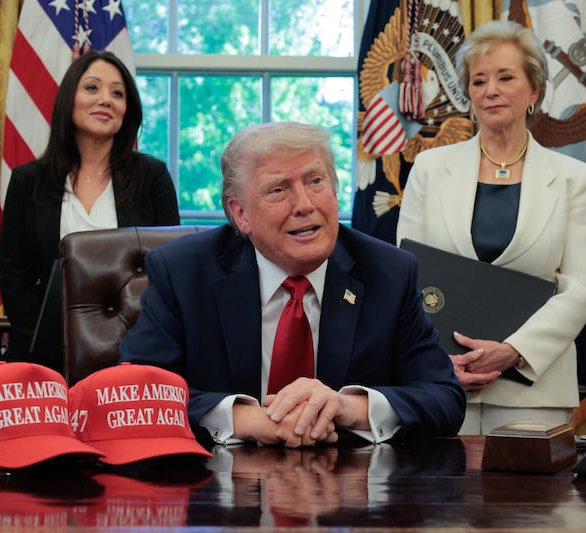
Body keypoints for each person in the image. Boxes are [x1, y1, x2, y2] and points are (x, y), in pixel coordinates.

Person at [119, 122, 465, 447]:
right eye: (278, 189)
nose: (305, 205)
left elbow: (443, 397)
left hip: (352, 493)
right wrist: (251, 420)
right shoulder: (183, 272)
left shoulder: (387, 272)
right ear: (240, 214)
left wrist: (347, 408)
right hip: (217, 491)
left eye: (316, 181)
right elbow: (135, 395)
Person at [396, 20, 586, 434]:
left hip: (535, 389)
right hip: (442, 383)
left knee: (529, 500)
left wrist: (514, 351)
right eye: (478, 81)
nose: (490, 90)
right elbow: (409, 276)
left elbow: (580, 288)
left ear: (534, 90)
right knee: (439, 497)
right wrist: (437, 359)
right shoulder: (429, 168)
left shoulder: (575, 179)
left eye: (505, 77)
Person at [0, 50, 180, 371]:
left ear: (128, 110)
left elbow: (171, 270)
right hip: (46, 354)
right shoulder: (29, 181)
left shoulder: (152, 177)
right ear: (70, 99)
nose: (106, 100)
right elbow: (14, 275)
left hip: (137, 353)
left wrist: (141, 344)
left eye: (117, 93)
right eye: (92, 88)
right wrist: (45, 345)